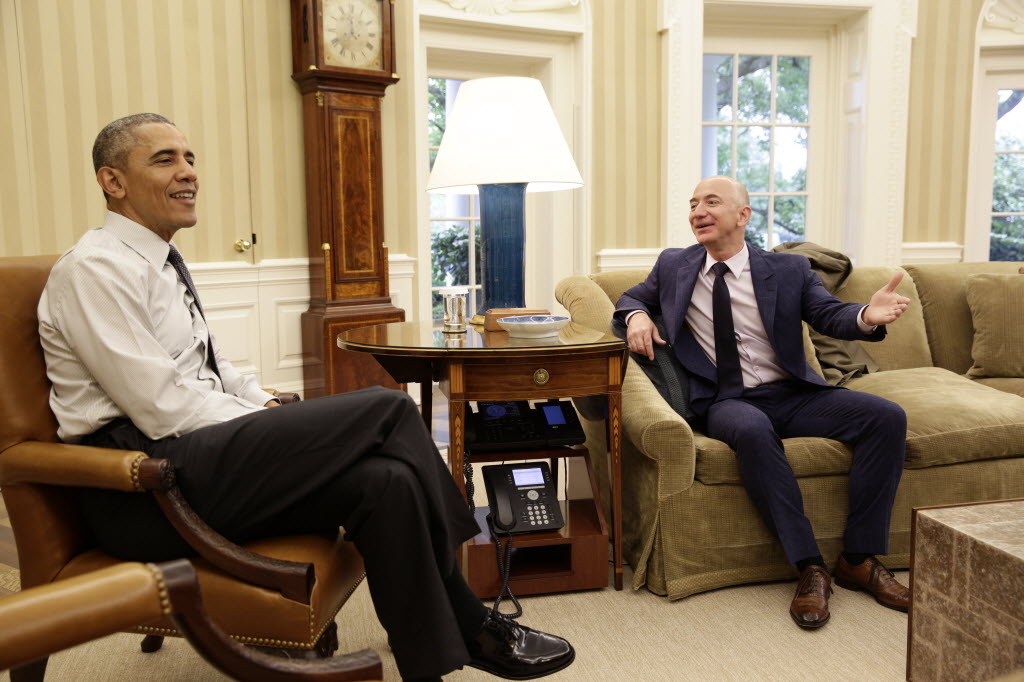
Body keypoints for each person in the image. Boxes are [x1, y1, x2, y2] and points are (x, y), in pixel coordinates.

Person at [37, 113, 575, 681]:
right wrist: (258, 421)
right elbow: (161, 408)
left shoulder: (159, 261)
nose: (188, 171)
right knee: (389, 408)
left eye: (189, 157)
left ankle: (432, 663)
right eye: (164, 159)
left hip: (193, 460)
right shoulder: (95, 270)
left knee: (387, 481)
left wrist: (263, 404)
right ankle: (471, 604)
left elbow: (211, 370)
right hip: (140, 487)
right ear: (112, 181)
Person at [616, 175, 911, 629]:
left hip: (792, 393)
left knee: (885, 417)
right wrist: (636, 315)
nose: (698, 211)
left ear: (743, 215)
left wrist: (866, 316)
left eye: (711, 202)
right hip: (726, 400)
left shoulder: (788, 270)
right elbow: (633, 296)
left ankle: (858, 559)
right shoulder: (675, 264)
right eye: (693, 204)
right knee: (753, 429)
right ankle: (809, 566)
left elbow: (828, 313)